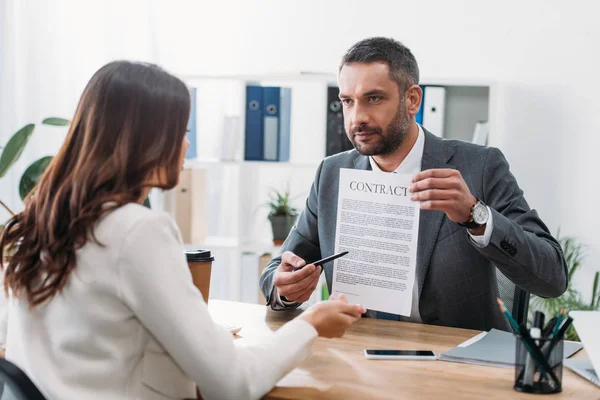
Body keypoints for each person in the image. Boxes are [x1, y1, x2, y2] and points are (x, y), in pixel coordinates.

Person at [0, 61, 365, 400]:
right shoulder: (136, 231)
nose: (186, 144)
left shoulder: (34, 221)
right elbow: (234, 382)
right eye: (181, 131)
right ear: (145, 141)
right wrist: (312, 324)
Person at [260, 37, 568, 331]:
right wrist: (286, 289)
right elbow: (277, 272)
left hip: (457, 360)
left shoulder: (480, 166)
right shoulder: (332, 173)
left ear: (412, 100)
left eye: (374, 98)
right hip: (359, 356)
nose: (357, 118)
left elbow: (552, 278)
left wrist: (476, 215)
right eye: (348, 101)